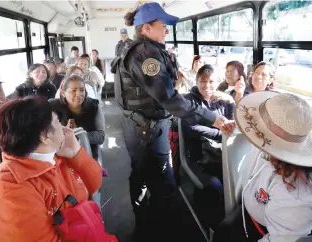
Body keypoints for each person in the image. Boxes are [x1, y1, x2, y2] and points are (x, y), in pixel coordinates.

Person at [113, 2, 234, 240]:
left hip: (141, 126)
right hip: (146, 130)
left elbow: (155, 92)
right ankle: (158, 230)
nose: (167, 31)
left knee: (143, 174)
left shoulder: (145, 49)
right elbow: (169, 100)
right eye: (163, 26)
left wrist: (174, 86)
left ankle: (145, 221)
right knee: (163, 183)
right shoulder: (145, 54)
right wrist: (213, 118)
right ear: (146, 28)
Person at [0, 97, 114, 241]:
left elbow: (94, 184)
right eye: (58, 121)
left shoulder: (55, 154)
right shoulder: (11, 190)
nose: (65, 127)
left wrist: (76, 153)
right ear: (45, 136)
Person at [213, 91, 312, 242]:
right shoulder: (275, 142)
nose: (256, 130)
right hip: (250, 212)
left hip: (264, 230)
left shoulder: (296, 194)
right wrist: (236, 126)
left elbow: (282, 238)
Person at [182, 64, 234, 183]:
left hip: (224, 151)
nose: (207, 85)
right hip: (201, 155)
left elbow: (232, 122)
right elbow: (191, 128)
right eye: (203, 81)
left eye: (211, 81)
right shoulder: (189, 101)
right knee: (217, 184)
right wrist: (222, 134)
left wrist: (230, 101)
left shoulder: (222, 99)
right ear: (197, 82)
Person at [49, 74, 105, 147]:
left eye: (82, 90)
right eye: (73, 90)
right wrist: (64, 131)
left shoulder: (93, 106)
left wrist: (77, 133)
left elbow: (101, 137)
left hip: (86, 148)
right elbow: (46, 133)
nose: (79, 94)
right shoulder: (52, 106)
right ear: (63, 93)